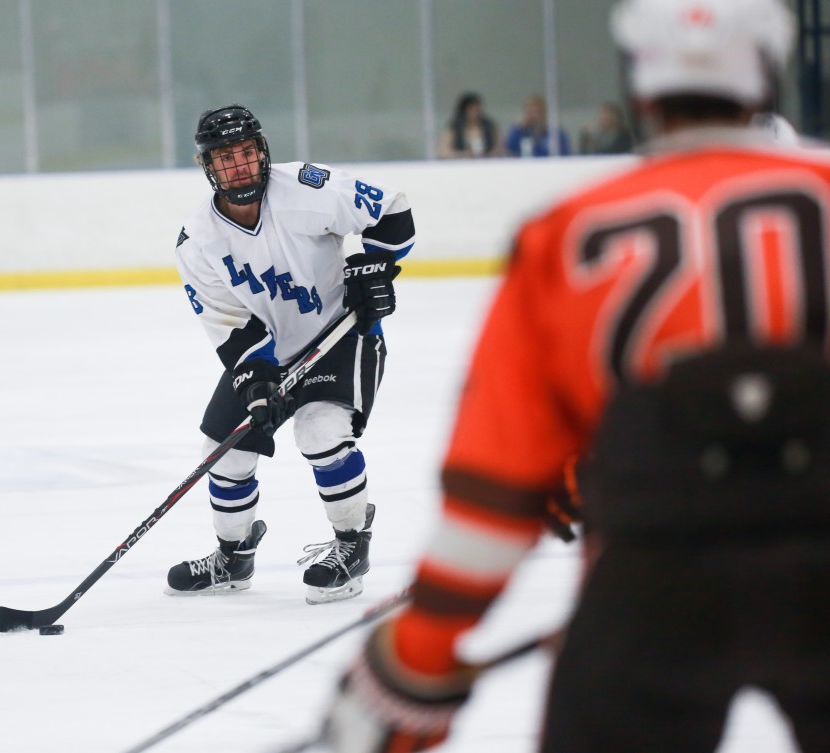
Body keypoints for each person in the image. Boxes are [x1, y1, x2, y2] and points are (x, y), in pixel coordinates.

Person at [321, 0, 830, 750]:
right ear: (768, 78)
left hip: (652, 575)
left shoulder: (567, 232)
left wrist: (419, 659)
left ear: (641, 87)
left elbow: (491, 489)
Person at [167, 105, 415, 605]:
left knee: (320, 430)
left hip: (342, 335)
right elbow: (233, 327)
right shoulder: (198, 242)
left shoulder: (307, 187)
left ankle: (351, 547)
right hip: (273, 352)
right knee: (224, 448)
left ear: (262, 153)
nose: (239, 166)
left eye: (246, 153)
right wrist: (257, 382)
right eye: (225, 158)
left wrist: (374, 268)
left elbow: (391, 209)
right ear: (207, 167)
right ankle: (233, 557)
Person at [437, 92, 502, 159]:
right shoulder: (454, 128)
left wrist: (489, 155)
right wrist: (463, 154)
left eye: (477, 109)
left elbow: (500, 149)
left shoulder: (489, 126)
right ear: (464, 110)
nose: (475, 113)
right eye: (472, 109)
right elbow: (443, 152)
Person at [504, 94, 570, 157]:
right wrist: (518, 129)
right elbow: (510, 150)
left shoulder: (556, 134)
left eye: (538, 111)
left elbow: (565, 154)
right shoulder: (519, 132)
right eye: (531, 112)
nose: (535, 116)